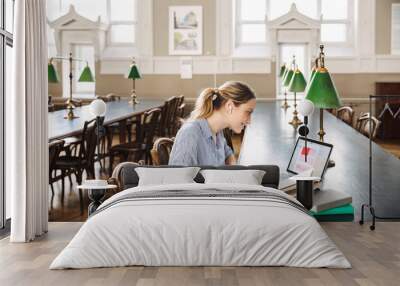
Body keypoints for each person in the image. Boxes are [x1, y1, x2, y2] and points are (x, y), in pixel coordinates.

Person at [169, 81, 256, 166]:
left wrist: (232, 165)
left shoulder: (218, 131)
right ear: (229, 106)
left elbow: (227, 152)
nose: (249, 121)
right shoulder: (190, 133)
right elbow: (178, 178)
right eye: (248, 112)